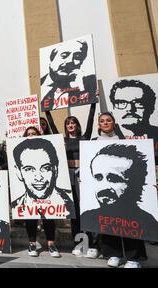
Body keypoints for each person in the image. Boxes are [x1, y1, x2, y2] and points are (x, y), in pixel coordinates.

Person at [82, 126, 151, 268]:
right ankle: (114, 254)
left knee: (131, 224)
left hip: (134, 215)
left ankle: (134, 257)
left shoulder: (147, 218)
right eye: (98, 177)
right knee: (109, 223)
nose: (104, 186)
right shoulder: (90, 215)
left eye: (114, 178)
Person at [46, 102, 96, 257]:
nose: (70, 125)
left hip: (83, 174)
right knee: (74, 211)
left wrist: (93, 102)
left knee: (86, 209)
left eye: (72, 122)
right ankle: (78, 244)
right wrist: (47, 110)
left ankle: (91, 244)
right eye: (67, 123)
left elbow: (91, 120)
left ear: (77, 125)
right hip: (69, 175)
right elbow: (52, 126)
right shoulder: (63, 140)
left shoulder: (85, 137)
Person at [14, 127, 62, 258]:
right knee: (30, 216)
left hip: (51, 201)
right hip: (27, 199)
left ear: (55, 169)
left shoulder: (63, 198)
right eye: (29, 169)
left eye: (45, 168)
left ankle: (51, 244)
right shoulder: (18, 200)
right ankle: (32, 243)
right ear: (19, 172)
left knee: (49, 216)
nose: (38, 177)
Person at [40, 38, 97, 111]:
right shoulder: (39, 85)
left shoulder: (90, 84)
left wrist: (81, 87)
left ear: (82, 61)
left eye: (77, 56)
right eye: (64, 55)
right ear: (52, 58)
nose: (70, 61)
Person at [109, 79, 158, 145]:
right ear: (113, 108)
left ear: (151, 108)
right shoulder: (103, 138)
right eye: (121, 103)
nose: (130, 109)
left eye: (138, 103)